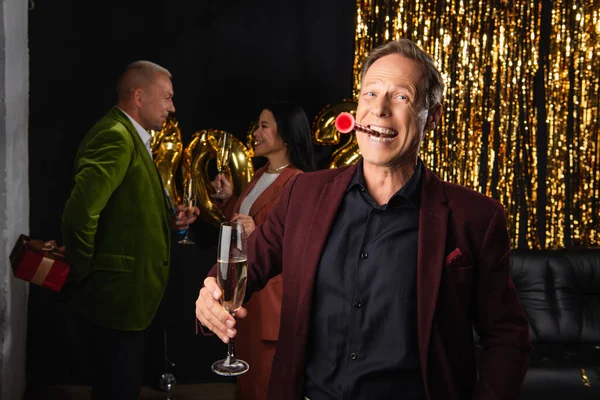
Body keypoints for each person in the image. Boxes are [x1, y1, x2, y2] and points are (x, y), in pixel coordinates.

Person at [196, 39, 532, 400]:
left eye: (401, 96)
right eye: (370, 94)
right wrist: (210, 295)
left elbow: (506, 337)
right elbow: (244, 267)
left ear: (432, 116)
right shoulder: (302, 194)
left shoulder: (477, 217)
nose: (380, 110)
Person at [62, 60, 198, 400]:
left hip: (129, 301)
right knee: (116, 389)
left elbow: (124, 209)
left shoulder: (132, 136)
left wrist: (169, 219)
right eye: (166, 97)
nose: (172, 107)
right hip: (115, 299)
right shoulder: (116, 136)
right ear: (138, 96)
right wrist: (83, 272)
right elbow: (80, 215)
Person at [210, 102, 315, 400]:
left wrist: (255, 226)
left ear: (286, 135)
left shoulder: (298, 180)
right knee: (249, 380)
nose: (255, 133)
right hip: (247, 295)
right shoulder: (261, 174)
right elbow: (245, 226)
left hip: (273, 302)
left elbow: (301, 239)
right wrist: (230, 200)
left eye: (263, 126)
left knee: (268, 385)